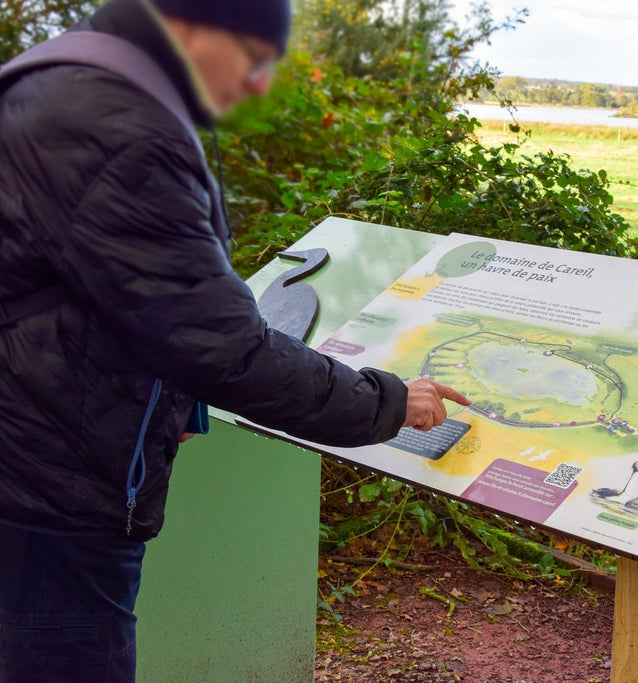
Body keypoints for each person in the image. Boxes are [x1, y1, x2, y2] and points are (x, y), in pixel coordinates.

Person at [0, 0, 469, 680]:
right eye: (251, 60)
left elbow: (116, 295)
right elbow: (226, 348)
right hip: (49, 499)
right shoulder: (119, 130)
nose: (256, 87)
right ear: (188, 27)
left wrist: (178, 406)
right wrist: (389, 403)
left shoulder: (68, 79)